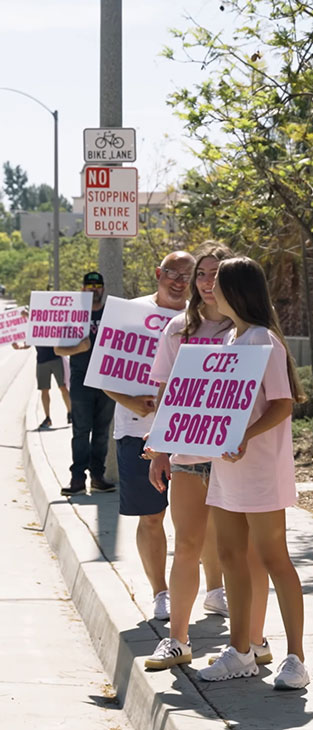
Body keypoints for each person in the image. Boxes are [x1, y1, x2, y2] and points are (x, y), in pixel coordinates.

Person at [143, 244, 270, 669]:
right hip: (188, 455)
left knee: (247, 553)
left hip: (235, 460)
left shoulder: (248, 331)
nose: (207, 282)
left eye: (217, 274)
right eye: (202, 273)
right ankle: (177, 639)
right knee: (188, 546)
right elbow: (166, 393)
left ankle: (255, 639)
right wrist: (159, 447)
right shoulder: (178, 329)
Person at [197, 256, 309, 691]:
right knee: (230, 560)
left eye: (217, 283)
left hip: (260, 471)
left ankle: (296, 658)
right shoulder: (228, 341)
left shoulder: (265, 341)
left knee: (274, 561)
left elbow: (282, 405)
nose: (210, 289)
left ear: (236, 291)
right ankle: (240, 651)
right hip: (227, 472)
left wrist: (245, 435)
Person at [103, 250, 195, 621]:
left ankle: (215, 588)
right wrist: (133, 402)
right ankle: (161, 593)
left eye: (187, 275)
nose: (179, 280)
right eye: (173, 272)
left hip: (191, 436)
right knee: (152, 516)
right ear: (159, 272)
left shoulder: (203, 316)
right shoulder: (129, 314)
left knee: (197, 521)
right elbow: (104, 373)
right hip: (136, 433)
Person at [56, 272, 116, 497]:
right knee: (81, 431)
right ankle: (77, 479)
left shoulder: (112, 313)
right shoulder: (73, 315)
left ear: (103, 288)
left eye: (97, 285)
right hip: (81, 380)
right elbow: (58, 350)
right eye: (89, 285)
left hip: (107, 379)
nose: (93, 289)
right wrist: (78, 349)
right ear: (82, 288)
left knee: (101, 432)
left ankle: (98, 478)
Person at [12, 337, 72, 430]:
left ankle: (70, 413)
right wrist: (19, 347)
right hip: (42, 361)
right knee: (44, 390)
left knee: (62, 387)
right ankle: (48, 418)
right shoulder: (33, 327)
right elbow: (28, 344)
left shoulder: (52, 323)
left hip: (56, 358)